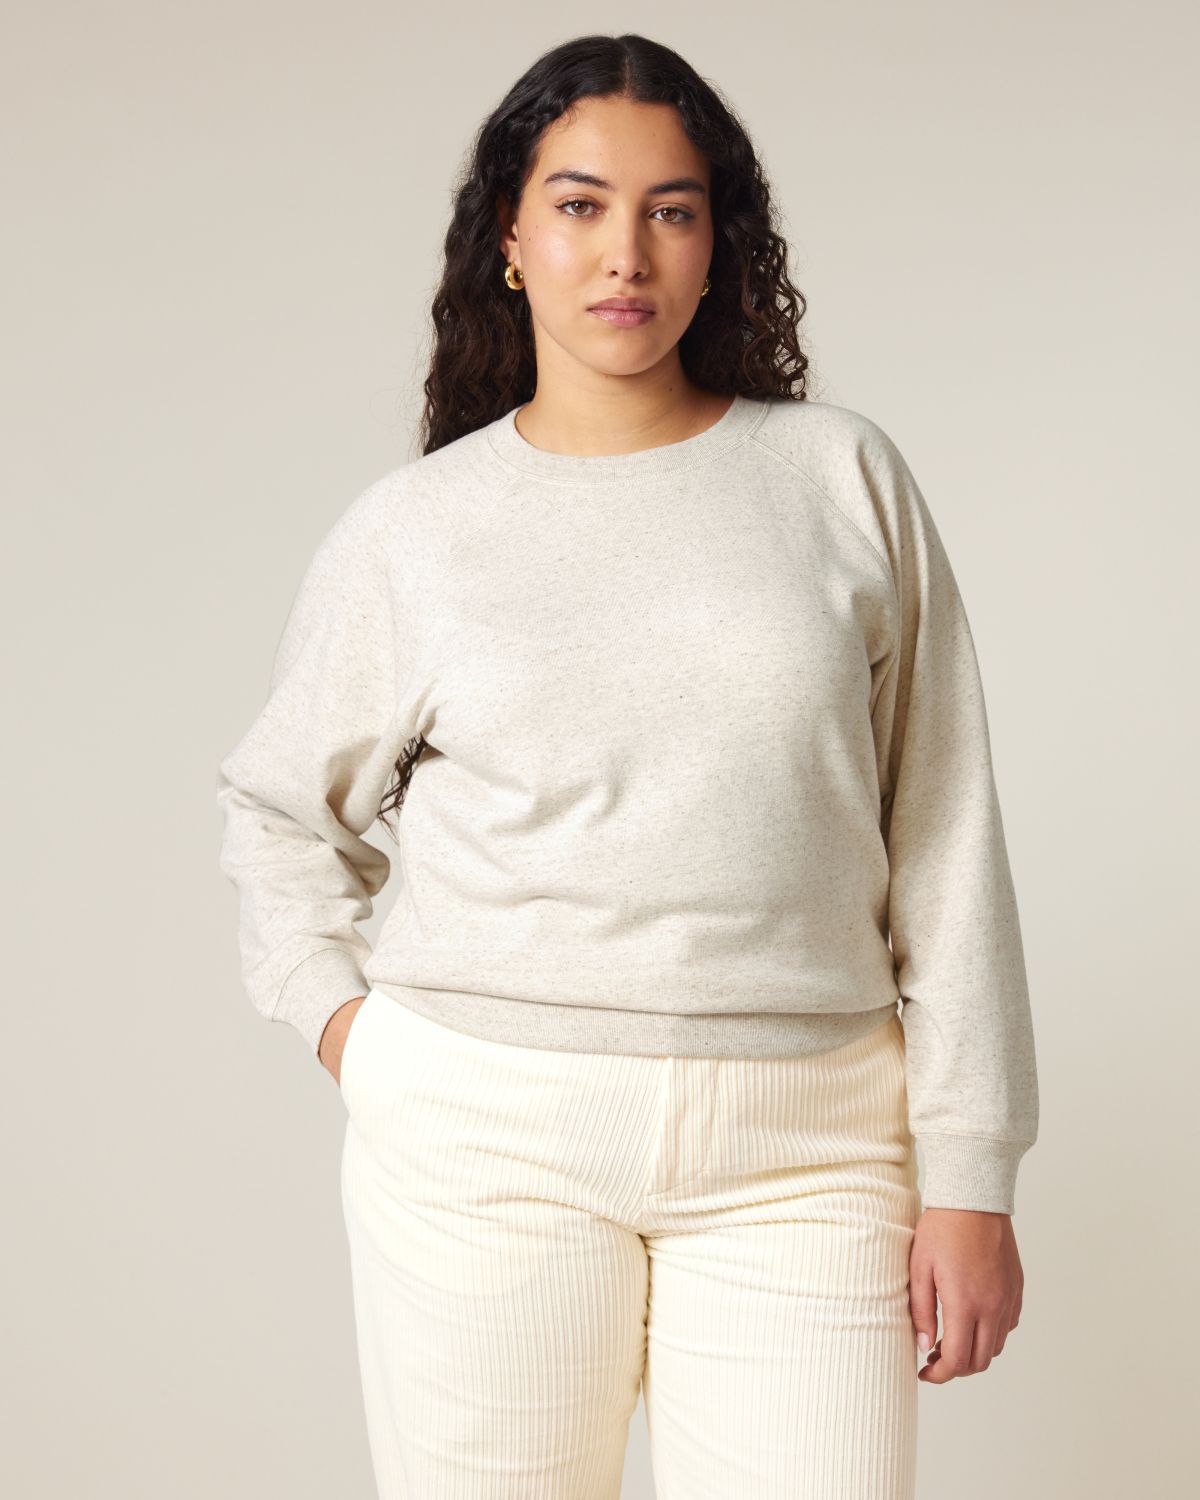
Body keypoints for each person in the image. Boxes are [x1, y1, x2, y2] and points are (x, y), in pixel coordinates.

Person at [215, 31, 1039, 1500]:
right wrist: (357, 1037)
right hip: (485, 1139)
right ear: (510, 239)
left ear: (720, 244)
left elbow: (944, 833)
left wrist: (971, 1170)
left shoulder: (838, 478)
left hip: (809, 1143)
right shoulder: (416, 532)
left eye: (672, 209)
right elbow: (282, 815)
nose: (627, 253)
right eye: (581, 205)